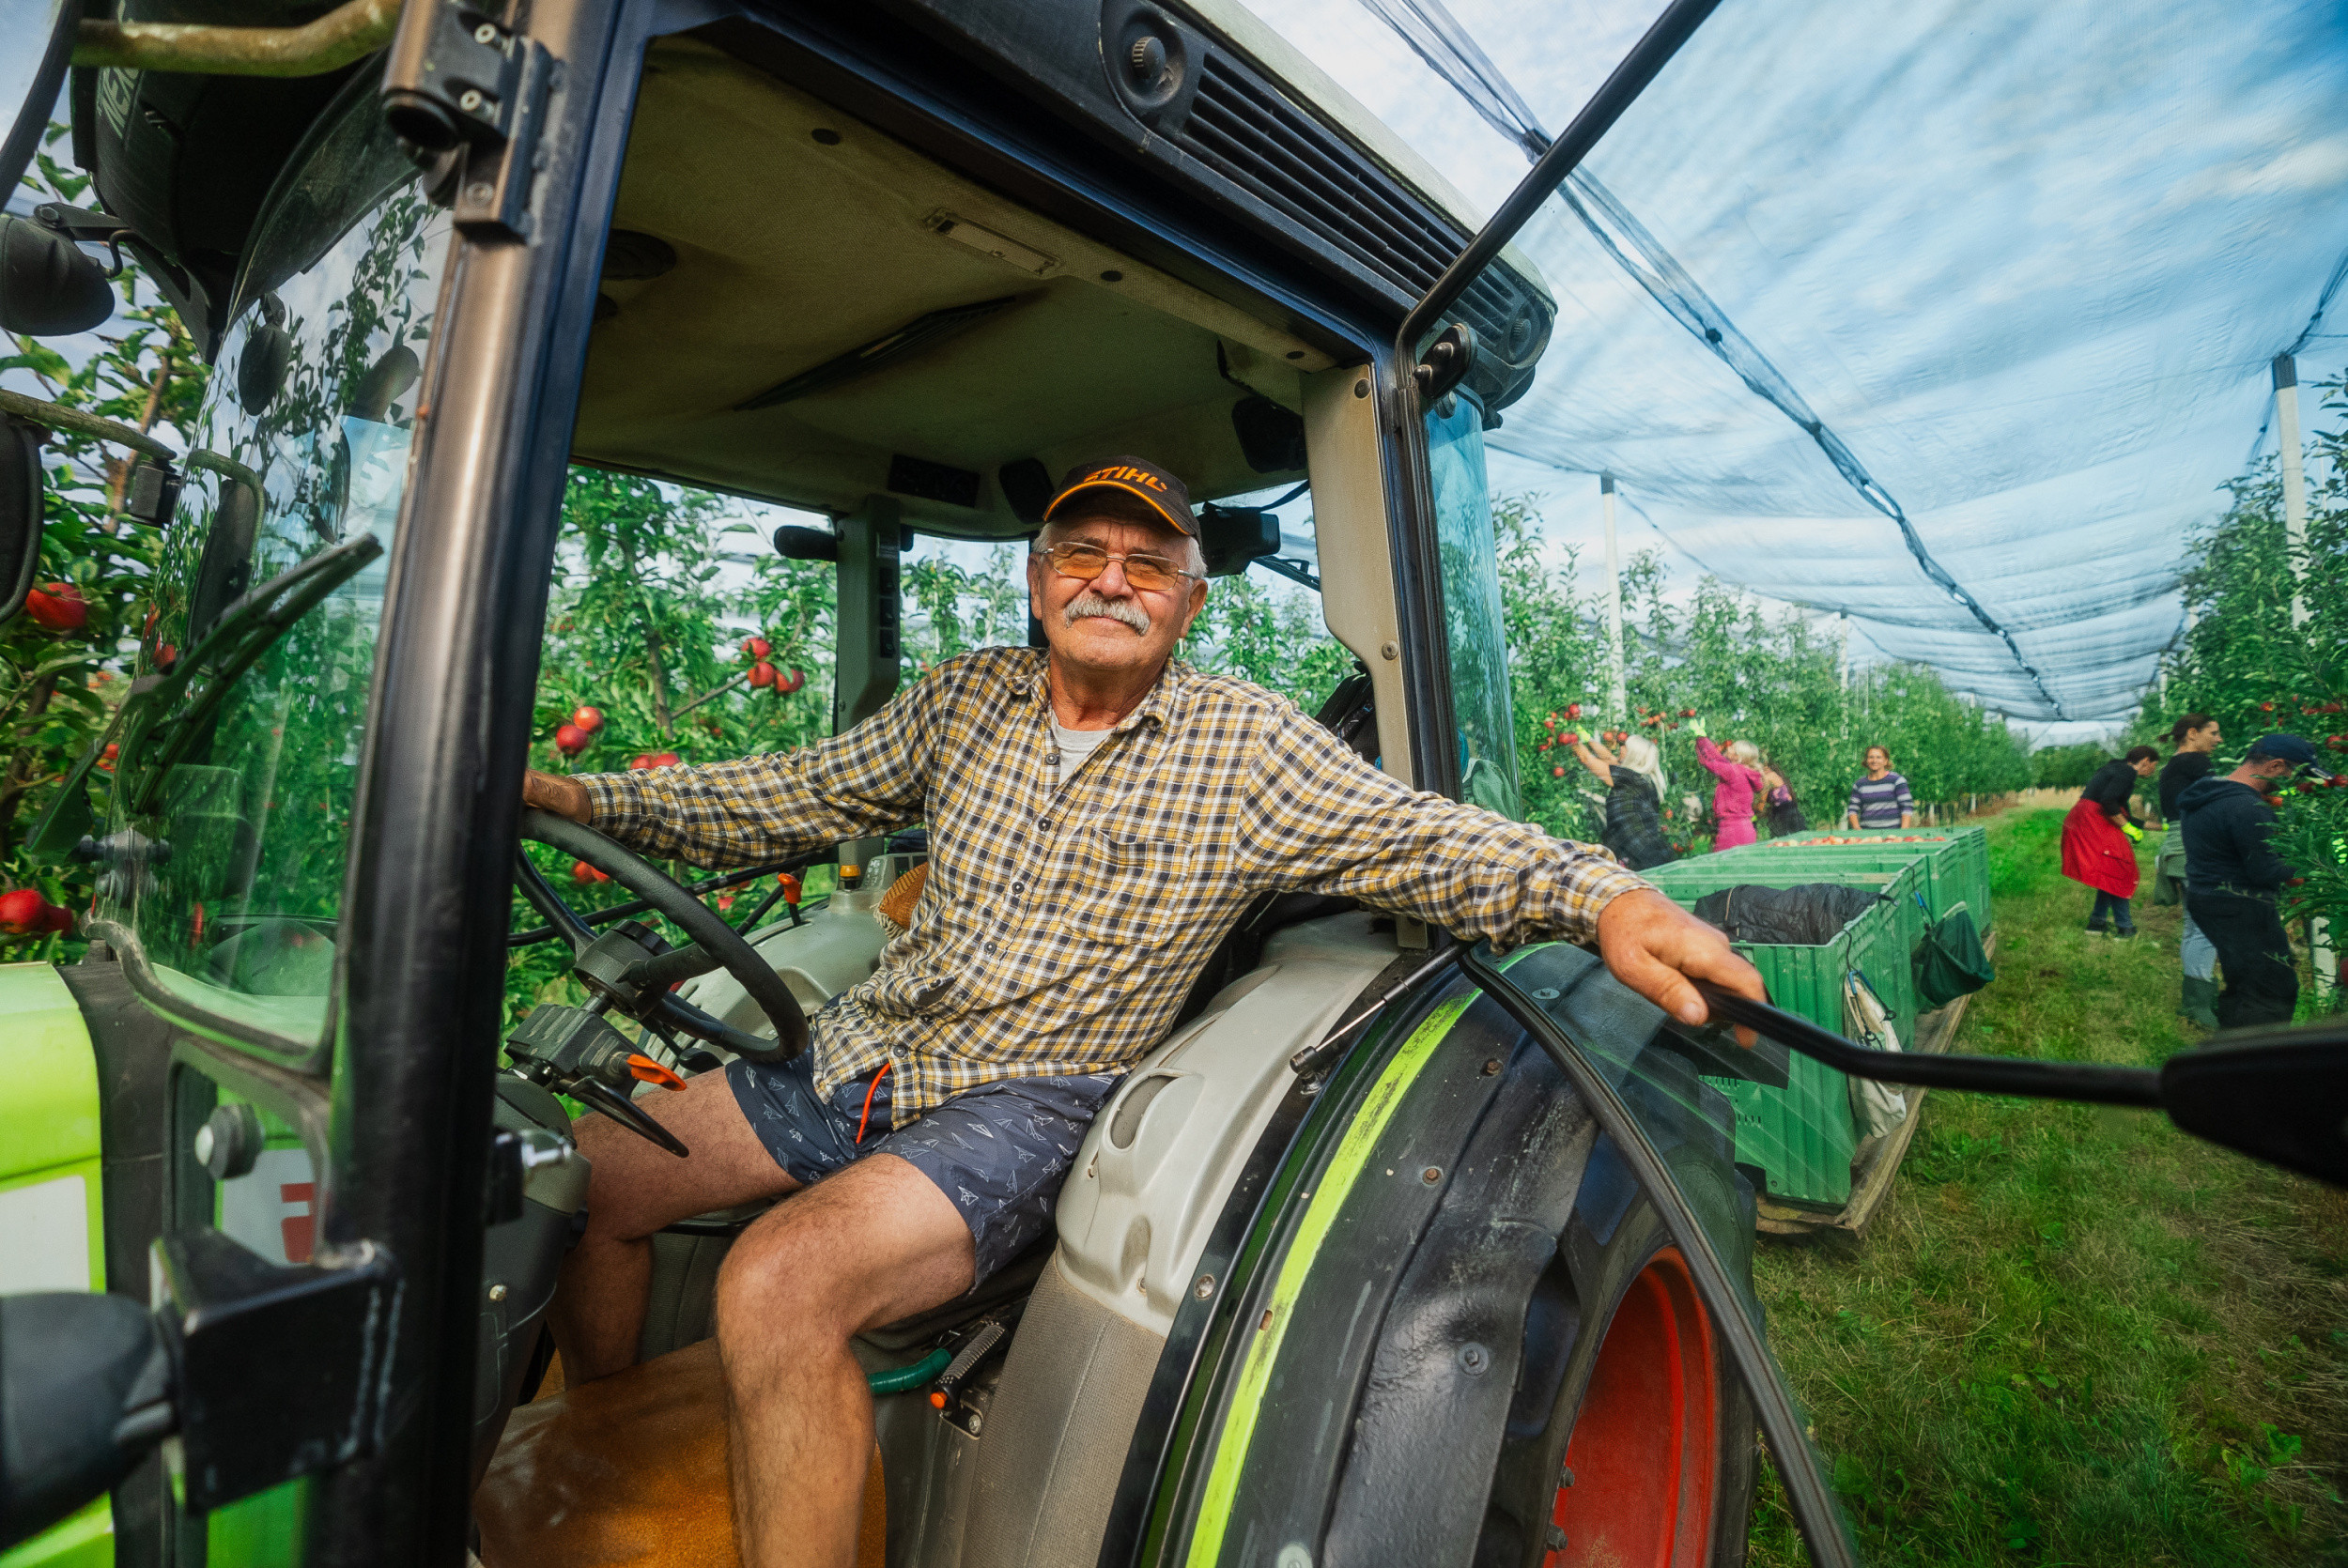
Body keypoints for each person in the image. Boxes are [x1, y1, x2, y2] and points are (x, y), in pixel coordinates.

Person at [518, 454, 1766, 1568]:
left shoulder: (1244, 746)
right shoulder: (964, 703)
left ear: (1189, 599)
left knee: (778, 1278)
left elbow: (1424, 838)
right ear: (1038, 579)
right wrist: (581, 798)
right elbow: (780, 796)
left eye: (1149, 561)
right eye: (1085, 552)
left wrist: (1600, 895)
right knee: (595, 1173)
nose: (1113, 578)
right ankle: (608, 1440)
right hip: (867, 1052)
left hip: (1025, 1098)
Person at [2180, 732, 2327, 1027]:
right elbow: (2265, 870)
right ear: (2274, 766)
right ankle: (2254, 1060)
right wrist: (2315, 869)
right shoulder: (2249, 809)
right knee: (2272, 990)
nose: (2294, 782)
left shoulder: (2206, 792)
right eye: (2293, 774)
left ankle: (2229, 1053)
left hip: (2207, 897)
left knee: (2244, 982)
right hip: (2241, 905)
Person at [2156, 715, 2222, 1023]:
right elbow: (2222, 799)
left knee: (2195, 924)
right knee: (2205, 926)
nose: (2219, 739)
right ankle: (2198, 1005)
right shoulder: (2195, 763)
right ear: (2192, 734)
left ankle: (2198, 999)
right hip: (2192, 848)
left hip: (2177, 847)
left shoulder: (2173, 765)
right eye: (2214, 732)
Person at [2062, 745, 2158, 935]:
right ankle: (2124, 926)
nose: (2154, 771)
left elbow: (2122, 813)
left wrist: (2162, 827)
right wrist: (2127, 828)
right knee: (2119, 869)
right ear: (2145, 761)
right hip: (2092, 820)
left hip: (2084, 818)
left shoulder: (2116, 769)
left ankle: (2097, 923)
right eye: (2154, 766)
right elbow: (2108, 802)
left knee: (2108, 870)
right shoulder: (2127, 772)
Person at [1567, 730, 1676, 870]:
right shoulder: (1641, 778)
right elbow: (1608, 758)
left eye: (1624, 746)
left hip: (1637, 856)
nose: (1620, 747)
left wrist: (1570, 733)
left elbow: (1587, 759)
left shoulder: (1630, 779)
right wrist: (1586, 736)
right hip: (1648, 851)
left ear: (1633, 754)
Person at [1692, 727, 1765, 851]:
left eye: (1732, 748)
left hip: (1731, 832)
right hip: (1747, 830)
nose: (1728, 747)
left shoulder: (1732, 771)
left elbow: (1708, 761)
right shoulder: (1744, 771)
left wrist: (1699, 739)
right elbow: (1718, 758)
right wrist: (1703, 739)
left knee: (1722, 867)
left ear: (1737, 756)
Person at [1846, 746, 1916, 830]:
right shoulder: (1859, 784)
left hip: (1893, 834)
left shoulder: (1897, 781)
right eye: (1871, 757)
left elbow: (1907, 807)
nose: (1874, 761)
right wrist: (1858, 831)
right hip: (1867, 835)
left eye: (1878, 757)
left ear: (1885, 761)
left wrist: (1903, 832)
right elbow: (1852, 810)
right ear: (1866, 761)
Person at [1760, 761, 1807, 837]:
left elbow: (1761, 804)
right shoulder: (1776, 774)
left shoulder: (1767, 777)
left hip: (1783, 813)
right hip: (1791, 809)